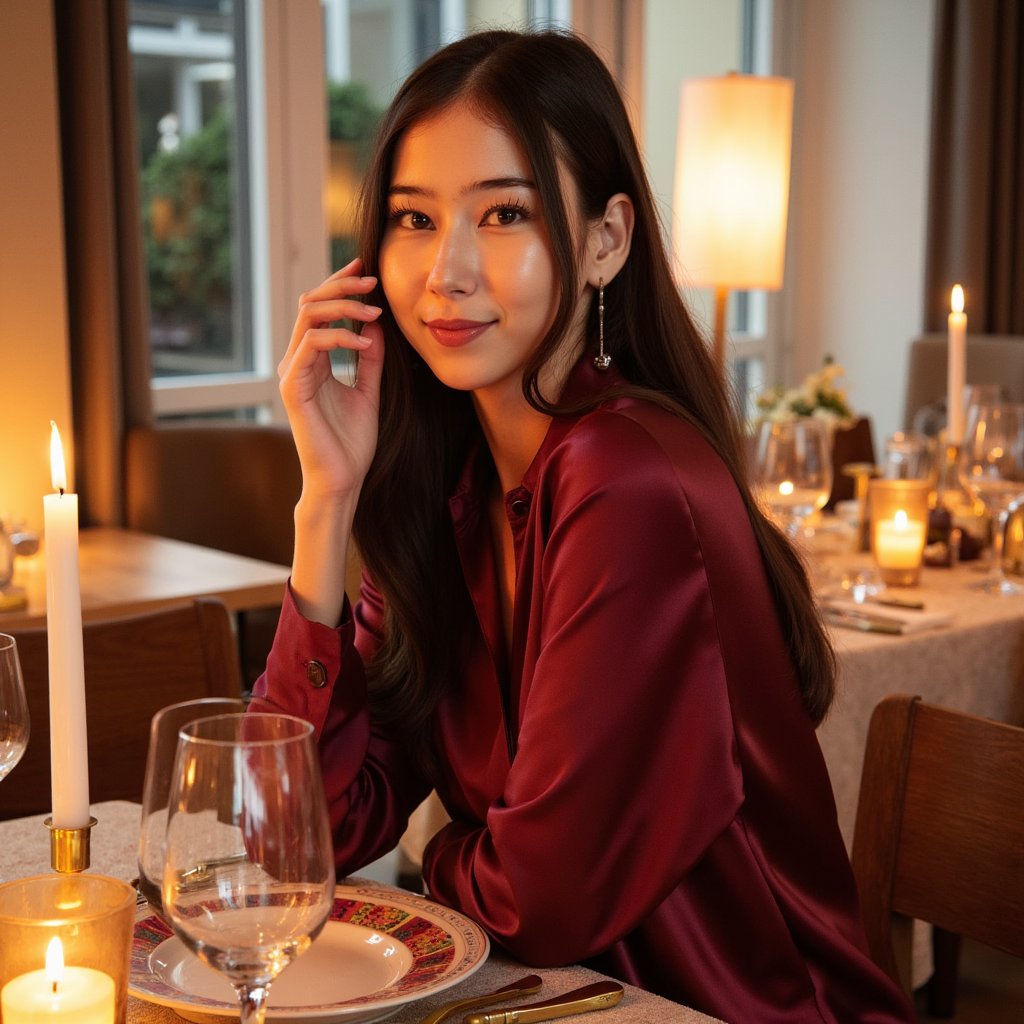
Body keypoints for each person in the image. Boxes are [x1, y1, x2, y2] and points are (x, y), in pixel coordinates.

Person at [252, 29, 914, 1023]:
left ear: (607, 240)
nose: (446, 272)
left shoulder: (626, 480)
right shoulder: (447, 484)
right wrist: (325, 502)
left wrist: (435, 853)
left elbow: (540, 900)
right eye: (414, 219)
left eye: (504, 213)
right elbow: (302, 836)